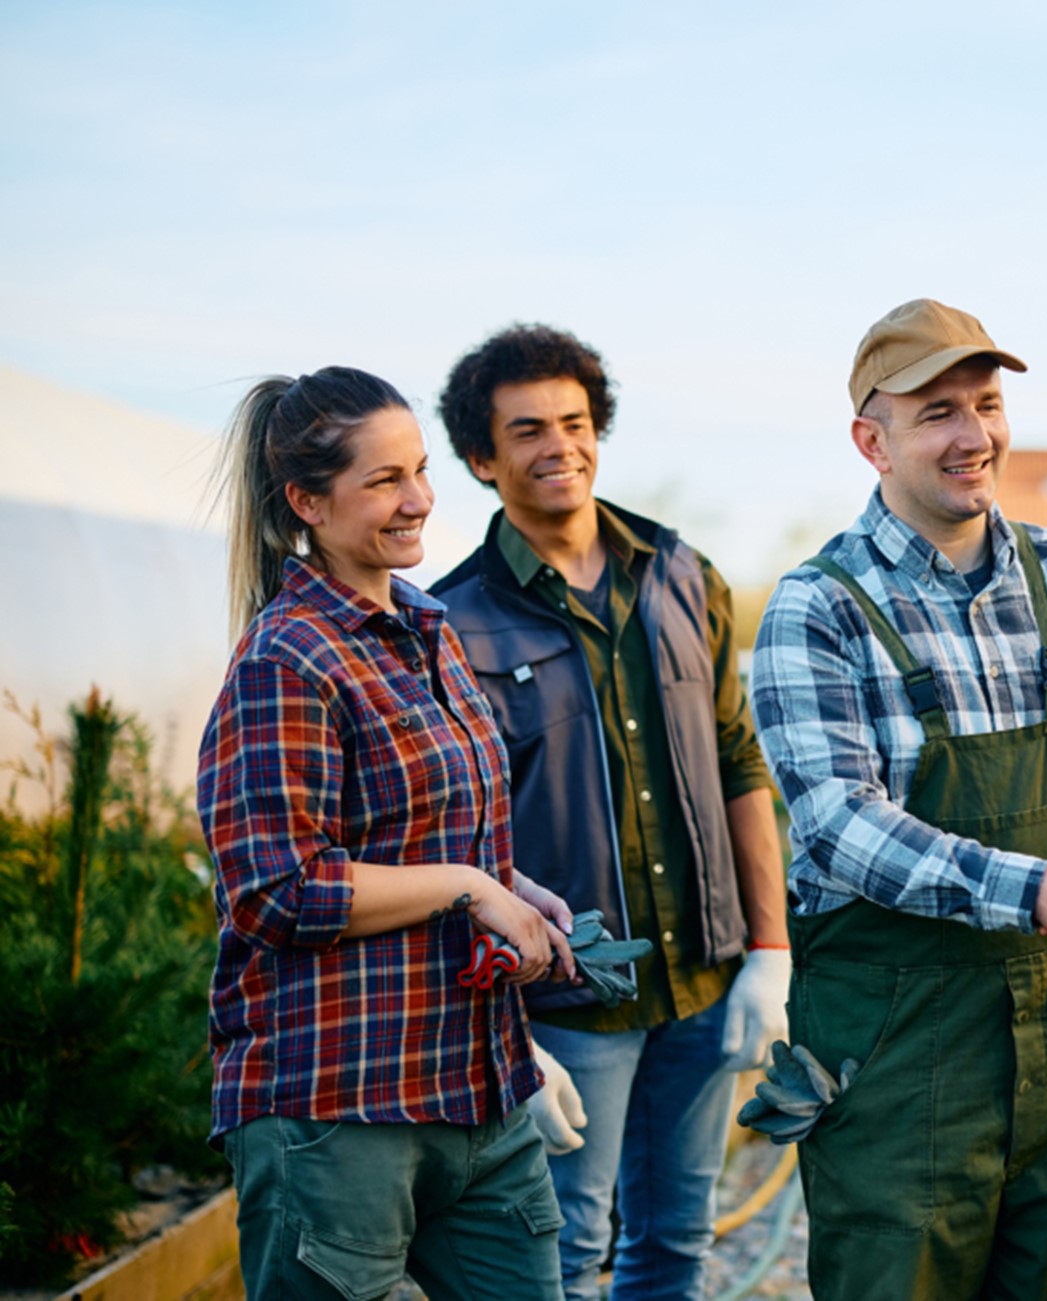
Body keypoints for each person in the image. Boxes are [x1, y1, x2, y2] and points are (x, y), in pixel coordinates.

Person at [749, 298, 1047, 1300]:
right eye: (937, 411)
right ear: (873, 439)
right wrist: (1038, 889)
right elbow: (840, 821)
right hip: (900, 1050)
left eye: (986, 404)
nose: (973, 435)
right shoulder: (817, 608)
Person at [198, 367, 578, 1301]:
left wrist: (508, 884)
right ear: (307, 502)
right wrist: (468, 886)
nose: (419, 500)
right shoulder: (287, 658)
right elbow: (276, 888)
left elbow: (428, 827)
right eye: (384, 481)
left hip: (480, 1090)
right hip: (341, 1110)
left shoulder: (427, 627)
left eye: (419, 471)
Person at [430, 324, 788, 1301]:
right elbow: (452, 844)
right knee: (563, 1252)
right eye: (529, 428)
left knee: (675, 1239)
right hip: (566, 1001)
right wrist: (508, 1029)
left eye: (577, 421)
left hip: (706, 982)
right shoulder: (450, 620)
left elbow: (739, 761)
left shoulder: (685, 574)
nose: (560, 446)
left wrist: (771, 951)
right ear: (481, 456)